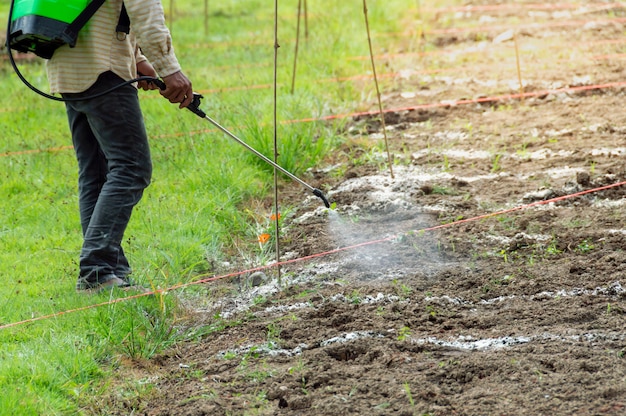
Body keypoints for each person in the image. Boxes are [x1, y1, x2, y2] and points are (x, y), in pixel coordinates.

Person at [46, 0, 193, 293]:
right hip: (103, 69)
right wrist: (170, 69)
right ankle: (96, 271)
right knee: (132, 167)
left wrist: (137, 59)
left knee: (96, 172)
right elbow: (144, 11)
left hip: (70, 65)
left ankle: (109, 271)